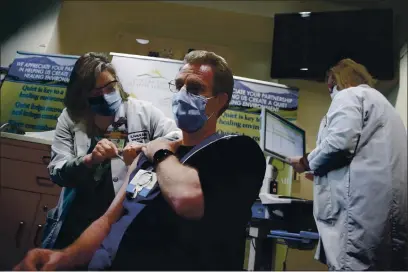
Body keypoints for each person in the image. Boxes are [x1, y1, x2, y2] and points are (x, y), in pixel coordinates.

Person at [15, 50, 266, 271]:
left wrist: (157, 151)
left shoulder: (237, 150)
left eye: (194, 88)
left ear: (220, 100)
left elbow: (186, 199)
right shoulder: (146, 159)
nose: (180, 96)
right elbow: (108, 220)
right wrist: (62, 257)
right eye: (177, 85)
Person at [41, 52, 181, 251]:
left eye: (110, 87)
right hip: (76, 219)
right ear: (82, 95)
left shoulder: (142, 112)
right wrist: (89, 160)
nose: (106, 96)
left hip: (121, 219)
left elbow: (177, 138)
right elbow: (57, 172)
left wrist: (144, 150)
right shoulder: (70, 118)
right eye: (97, 93)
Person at [290, 59, 407, 270]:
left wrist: (306, 162)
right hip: (385, 216)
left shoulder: (348, 95)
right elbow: (367, 160)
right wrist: (324, 176)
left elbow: (340, 144)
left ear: (333, 82)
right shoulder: (383, 105)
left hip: (359, 216)